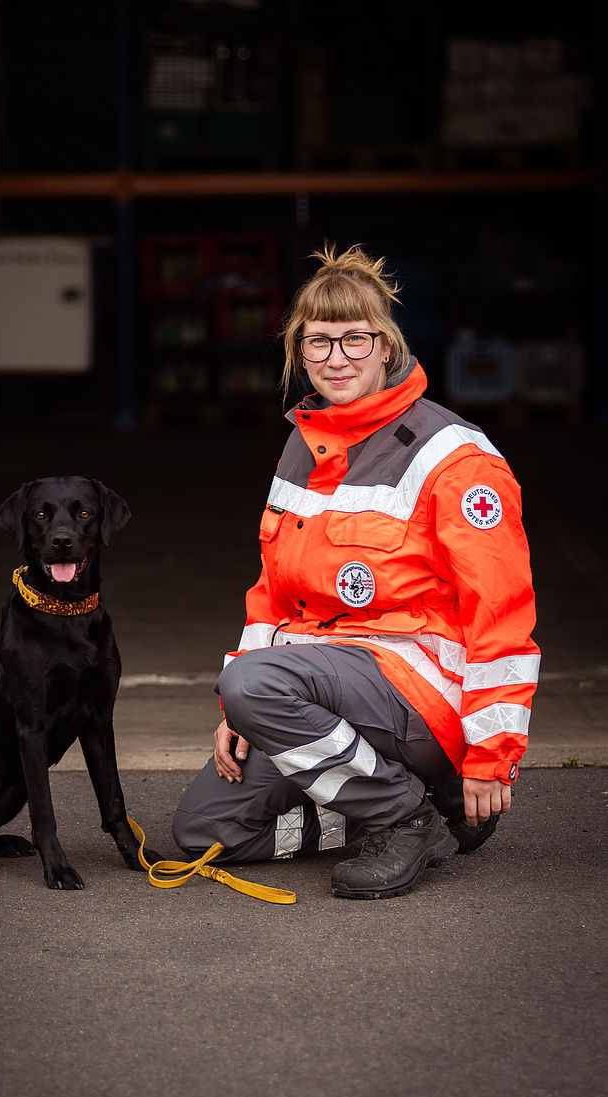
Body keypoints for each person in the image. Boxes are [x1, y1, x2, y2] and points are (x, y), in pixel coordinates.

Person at [173, 243, 540, 899]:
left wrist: (493, 755)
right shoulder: (304, 443)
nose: (336, 359)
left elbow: (501, 613)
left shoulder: (454, 456)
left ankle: (401, 815)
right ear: (298, 350)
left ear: (387, 345)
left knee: (252, 682)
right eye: (318, 342)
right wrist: (243, 710)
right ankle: (421, 810)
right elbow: (273, 593)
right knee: (206, 831)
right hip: (319, 689)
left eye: (354, 340)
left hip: (419, 693)